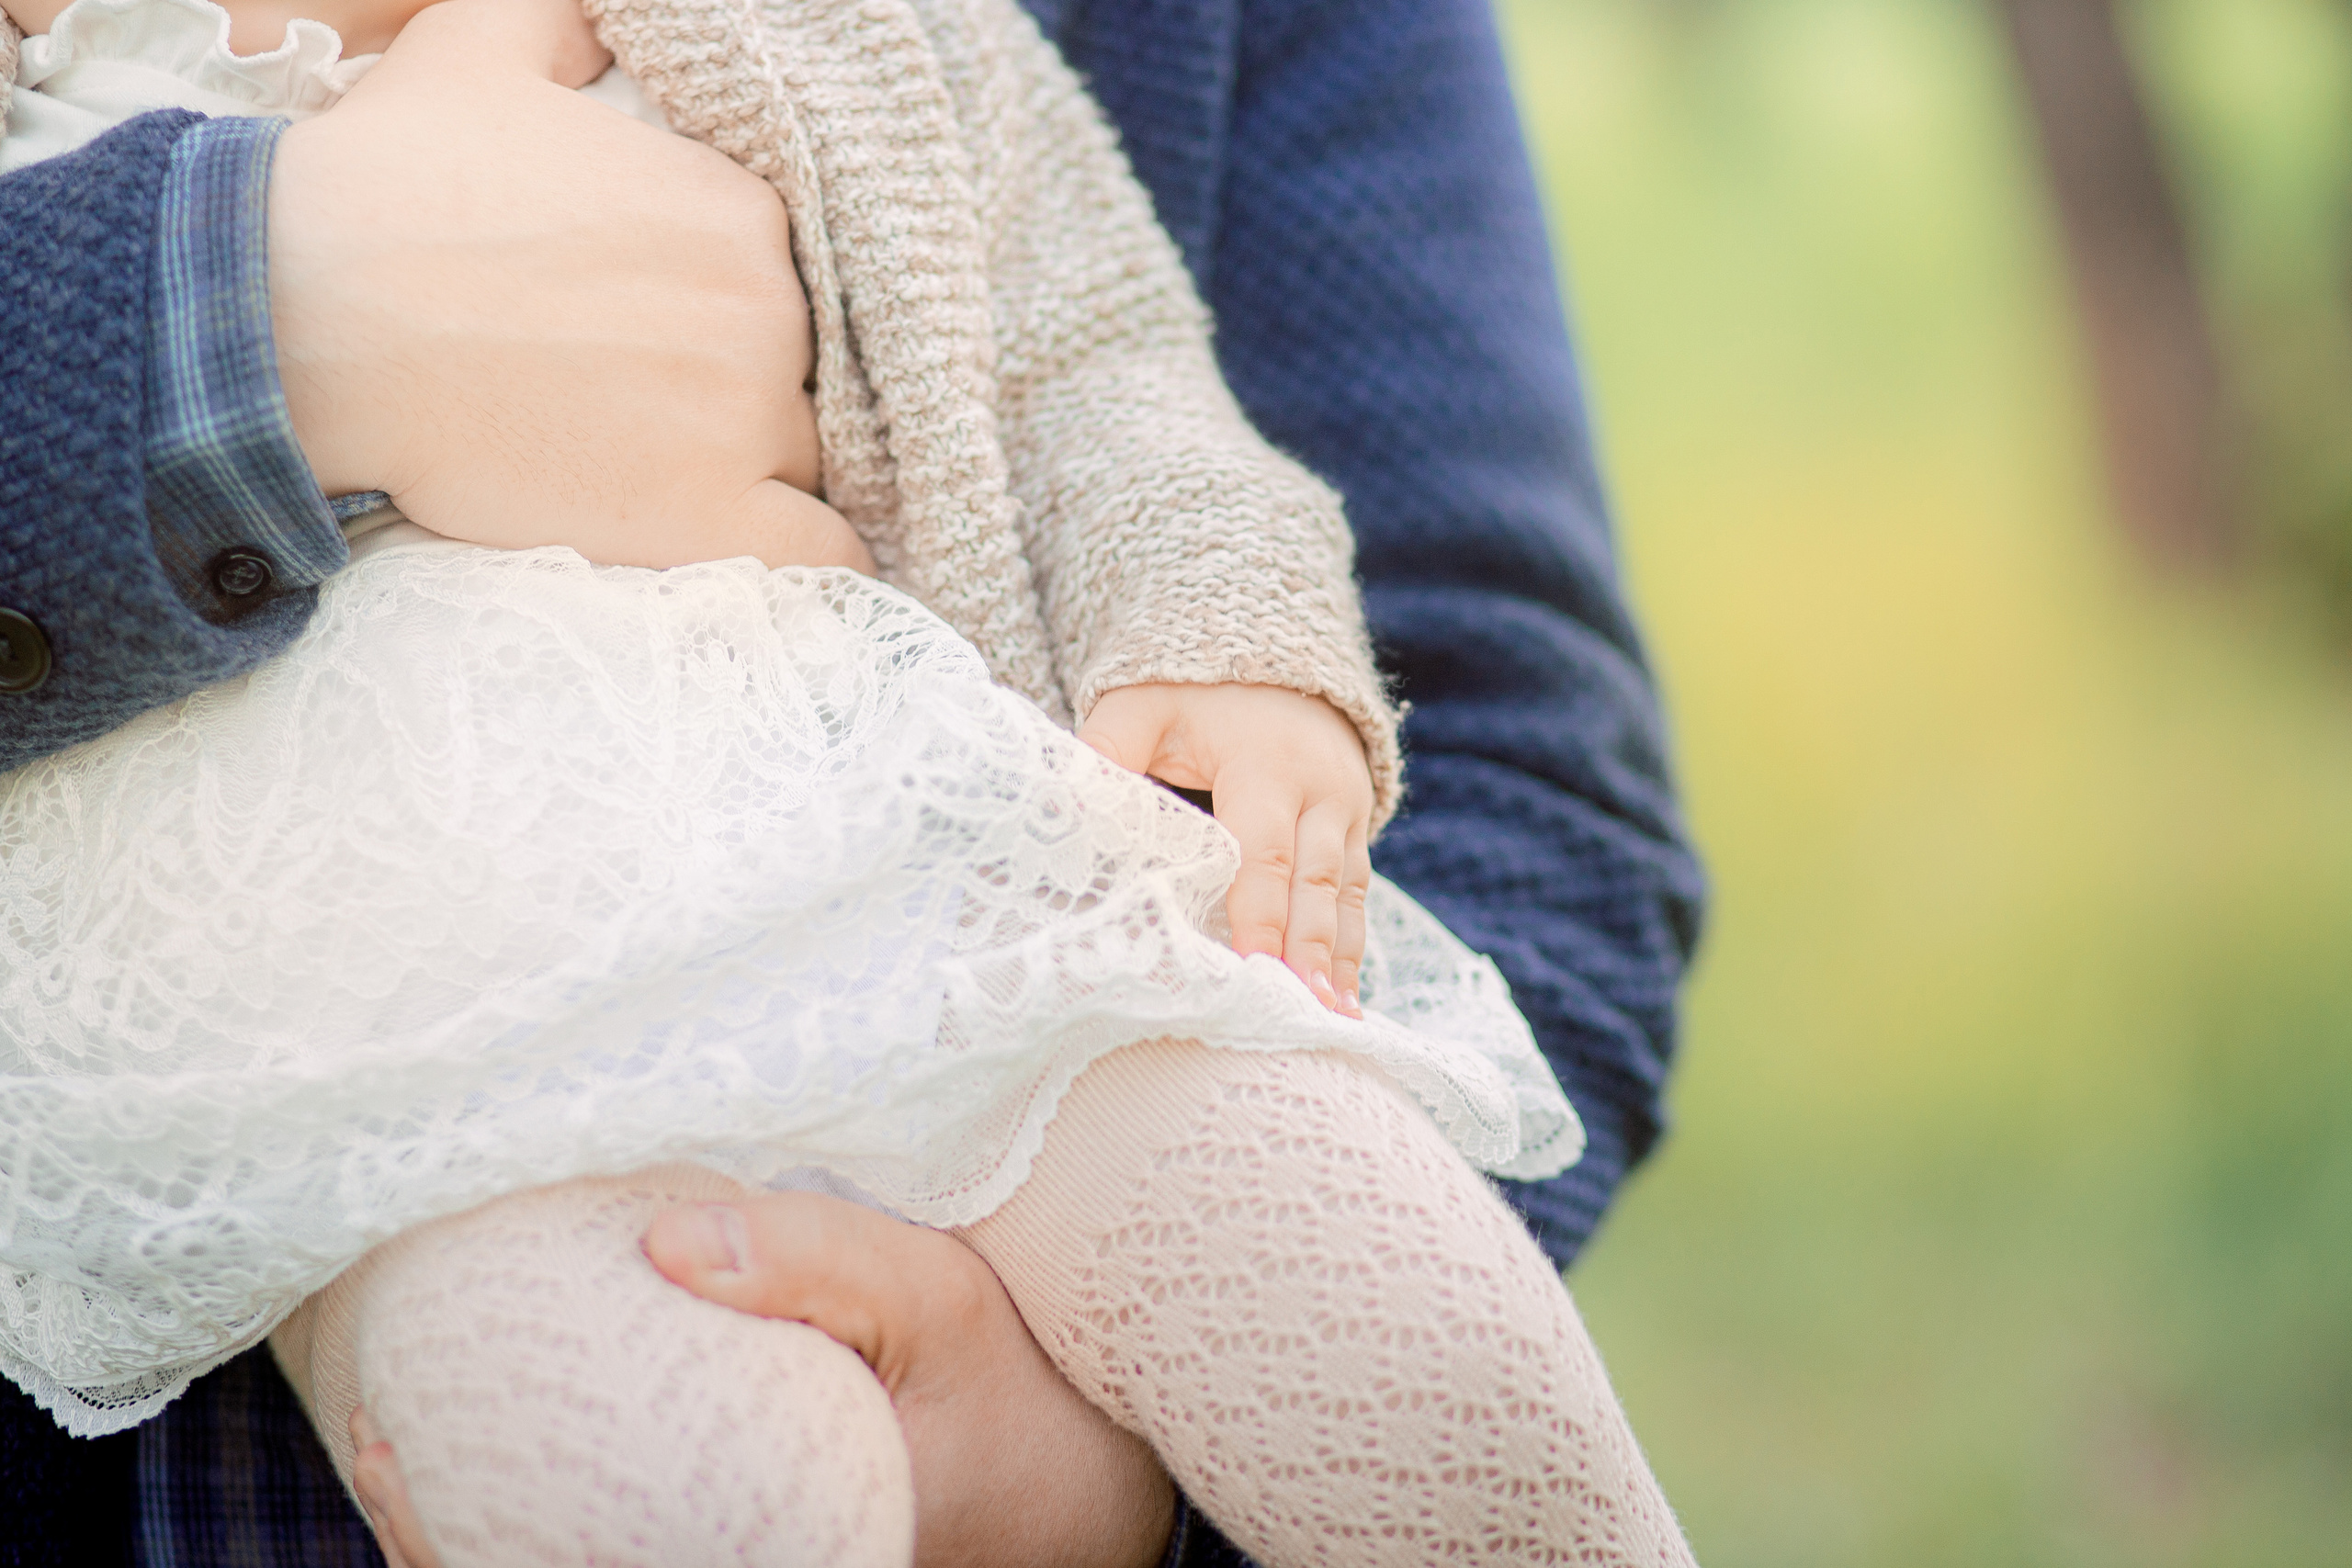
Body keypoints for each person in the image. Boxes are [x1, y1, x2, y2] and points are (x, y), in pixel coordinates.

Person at [0, 0, 1705, 1564]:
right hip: (390, 1099)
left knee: (1375, 1292)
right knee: (656, 1473)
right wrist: (200, 329)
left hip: (923, 925)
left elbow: (1093, 358)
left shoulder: (832, 34)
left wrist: (1224, 631)